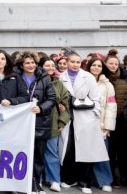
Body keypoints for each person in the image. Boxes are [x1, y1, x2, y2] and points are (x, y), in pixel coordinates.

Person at [59, 51, 110, 194]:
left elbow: (96, 98)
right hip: (68, 118)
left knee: (86, 152)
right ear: (67, 62)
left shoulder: (87, 77)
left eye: (78, 62)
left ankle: (85, 182)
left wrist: (93, 115)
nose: (75, 65)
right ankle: (69, 179)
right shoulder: (61, 77)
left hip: (86, 119)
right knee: (69, 150)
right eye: (72, 62)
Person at [15, 51, 56, 194]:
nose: (31, 65)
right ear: (21, 64)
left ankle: (36, 183)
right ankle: (22, 183)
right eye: (27, 62)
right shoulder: (15, 77)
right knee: (21, 154)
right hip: (20, 122)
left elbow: (51, 98)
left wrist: (41, 108)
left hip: (40, 122)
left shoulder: (44, 77)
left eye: (33, 62)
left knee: (38, 156)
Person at [85, 56, 116, 192]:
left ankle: (105, 181)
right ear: (89, 66)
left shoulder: (107, 84)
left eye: (99, 66)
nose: (96, 68)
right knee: (84, 154)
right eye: (93, 65)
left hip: (101, 125)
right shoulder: (83, 80)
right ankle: (86, 181)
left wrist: (108, 127)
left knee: (102, 154)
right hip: (84, 124)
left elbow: (111, 106)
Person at [40, 58, 71, 192]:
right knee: (37, 153)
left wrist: (62, 121)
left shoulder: (58, 84)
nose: (51, 68)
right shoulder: (36, 81)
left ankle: (54, 180)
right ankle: (38, 179)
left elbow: (66, 104)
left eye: (53, 66)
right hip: (38, 122)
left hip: (53, 123)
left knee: (52, 152)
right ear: (41, 67)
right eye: (47, 65)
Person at [106, 50, 127, 187]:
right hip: (108, 120)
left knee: (123, 150)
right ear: (105, 64)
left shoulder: (124, 78)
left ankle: (123, 176)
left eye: (115, 63)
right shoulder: (103, 78)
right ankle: (113, 178)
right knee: (110, 151)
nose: (113, 66)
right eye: (110, 63)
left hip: (122, 120)